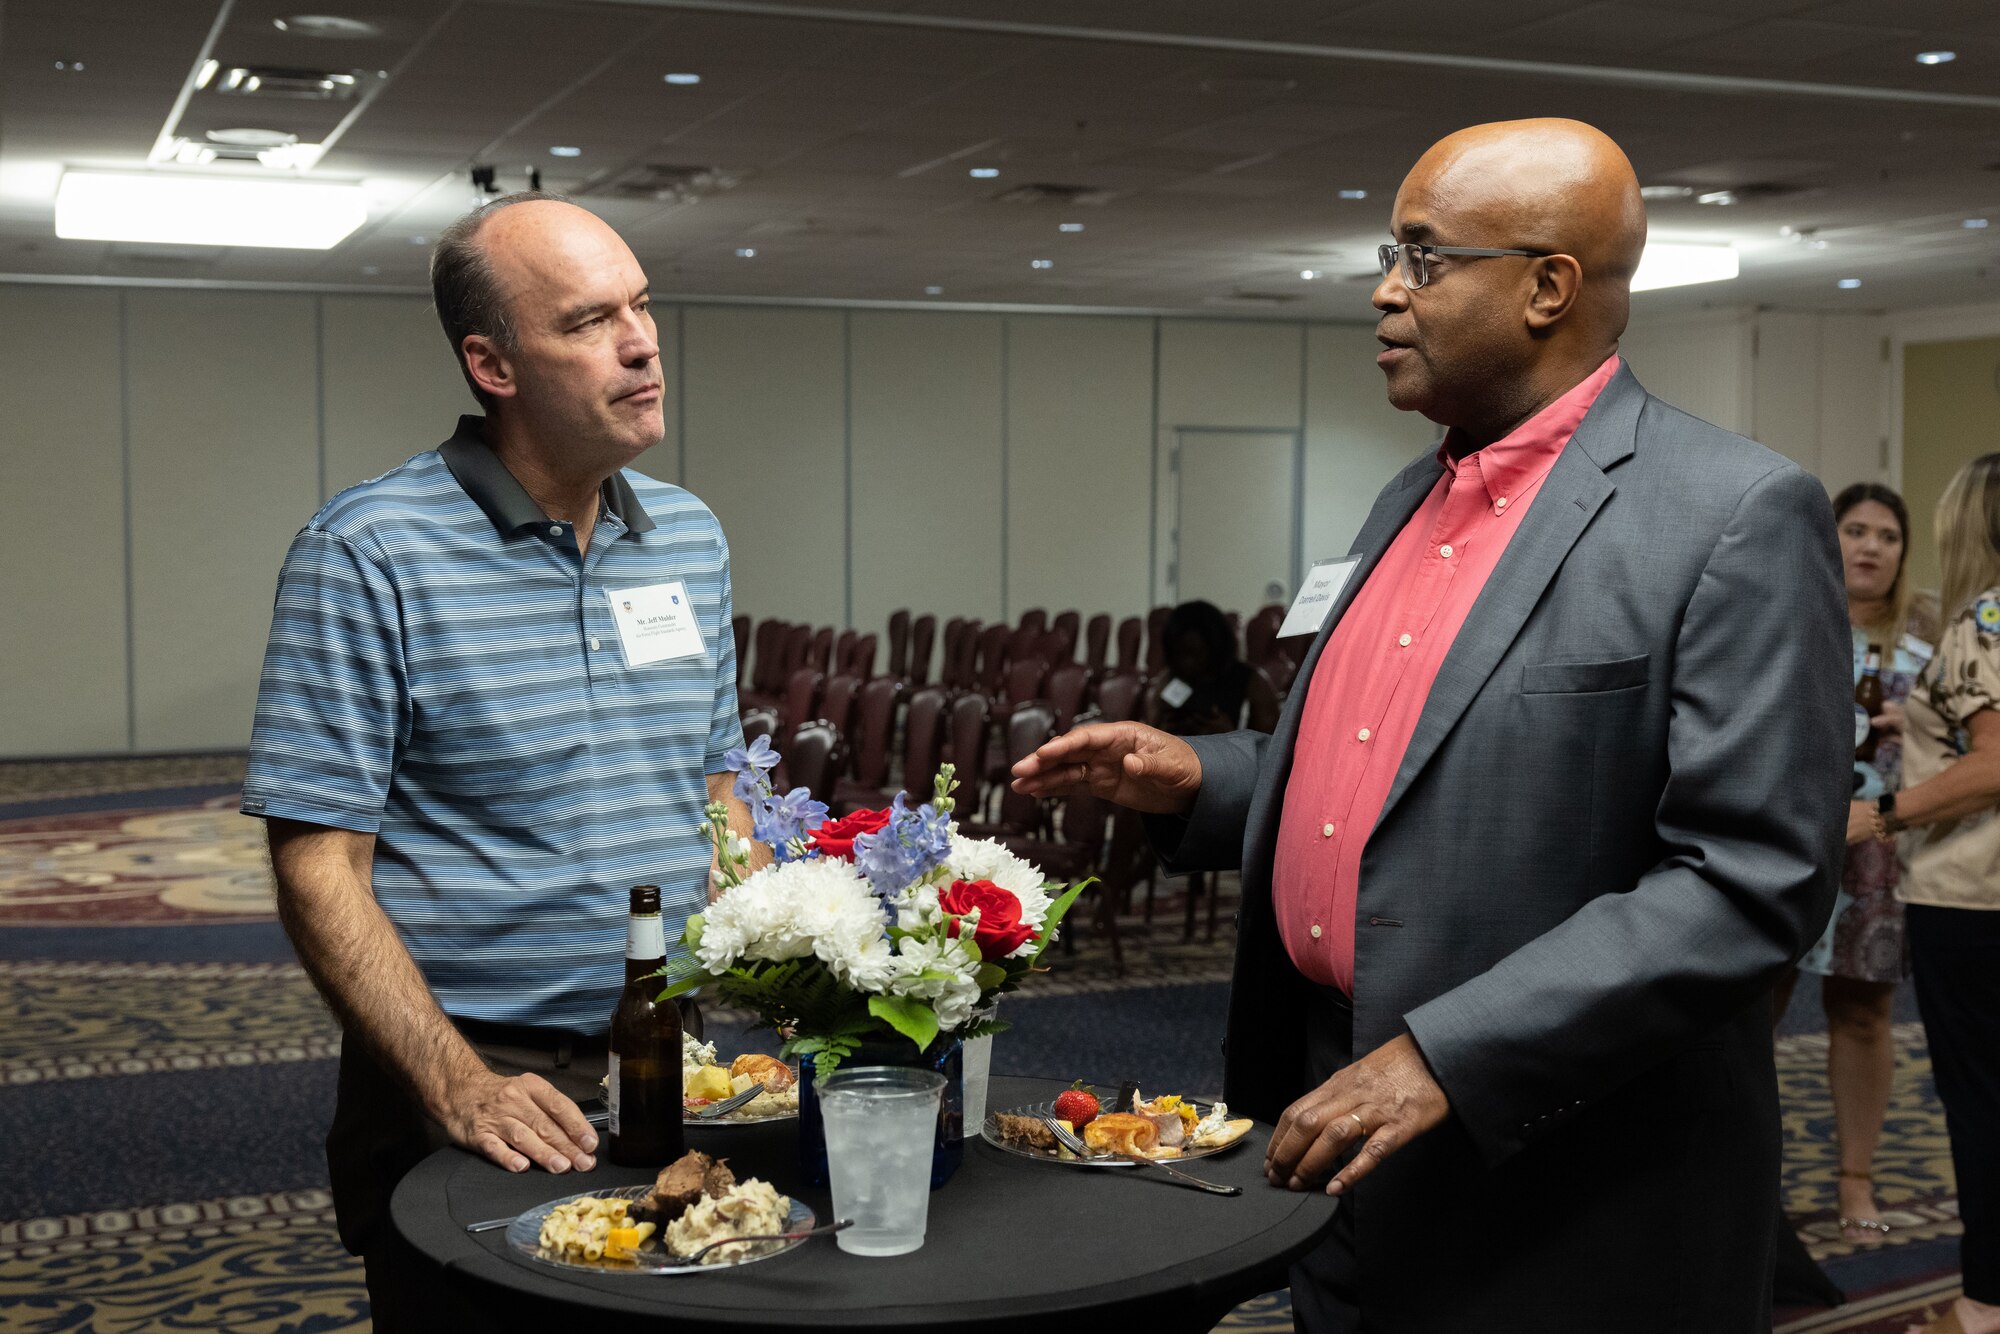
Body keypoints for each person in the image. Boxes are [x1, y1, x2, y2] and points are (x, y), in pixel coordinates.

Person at [1013, 118, 1849, 1333]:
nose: (1381, 289)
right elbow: (1389, 772)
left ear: (1545, 287)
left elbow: (1748, 876)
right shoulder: (1409, 492)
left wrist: (1447, 1053)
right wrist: (1208, 778)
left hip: (1559, 1172)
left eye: (1420, 256)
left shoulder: (1730, 512)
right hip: (1335, 1114)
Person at [239, 193, 755, 1329]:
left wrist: (789, 975)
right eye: (587, 320)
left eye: (642, 306)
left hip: (685, 1065)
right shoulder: (368, 552)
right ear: (493, 362)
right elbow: (318, 864)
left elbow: (718, 787)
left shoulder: (688, 536)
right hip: (479, 1081)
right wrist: (455, 1082)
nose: (640, 341)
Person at [1862, 455, 2000, 1334]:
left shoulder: (1983, 618)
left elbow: (1993, 766)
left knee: (1982, 1103)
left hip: (1974, 900)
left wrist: (1880, 814)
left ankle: (1981, 1303)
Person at [1772, 483, 1932, 1241]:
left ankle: (1856, 1181)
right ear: (1829, 537)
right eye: (1857, 530)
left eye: (1888, 536)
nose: (1871, 547)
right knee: (1756, 1008)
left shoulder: (1930, 642)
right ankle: (1750, 1176)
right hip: (1788, 838)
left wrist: (1921, 724)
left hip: (1880, 849)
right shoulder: (1788, 617)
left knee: (1863, 1012)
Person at [1148, 600, 1255, 735]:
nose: (1187, 662)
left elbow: (1271, 743)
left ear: (1215, 648)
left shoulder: (1250, 682)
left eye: (1194, 653)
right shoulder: (1168, 679)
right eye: (1180, 653)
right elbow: (1151, 728)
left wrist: (1230, 735)